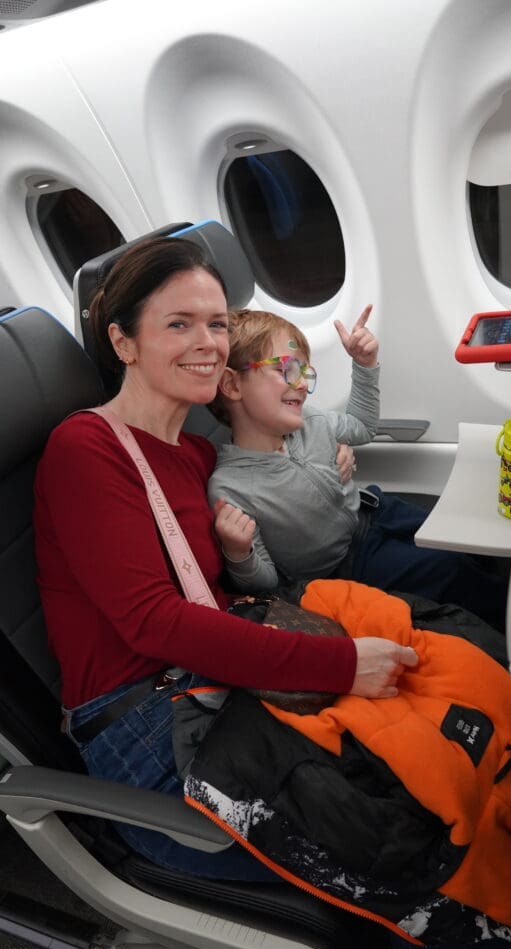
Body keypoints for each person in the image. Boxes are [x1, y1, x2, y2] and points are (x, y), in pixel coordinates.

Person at [33, 236, 417, 883]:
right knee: (397, 840)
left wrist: (328, 467)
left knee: (419, 759)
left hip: (215, 678)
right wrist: (341, 665)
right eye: (178, 324)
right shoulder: (85, 449)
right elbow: (157, 623)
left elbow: (272, 492)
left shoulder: (197, 456)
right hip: (147, 727)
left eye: (216, 322)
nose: (209, 341)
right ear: (123, 342)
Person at [208, 308, 508, 632]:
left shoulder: (313, 422)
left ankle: (507, 589)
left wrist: (364, 366)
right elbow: (264, 582)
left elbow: (362, 427)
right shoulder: (232, 487)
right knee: (449, 571)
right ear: (232, 384)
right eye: (287, 369)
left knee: (460, 542)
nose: (301, 384)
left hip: (377, 511)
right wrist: (240, 554)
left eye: (305, 372)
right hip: (348, 565)